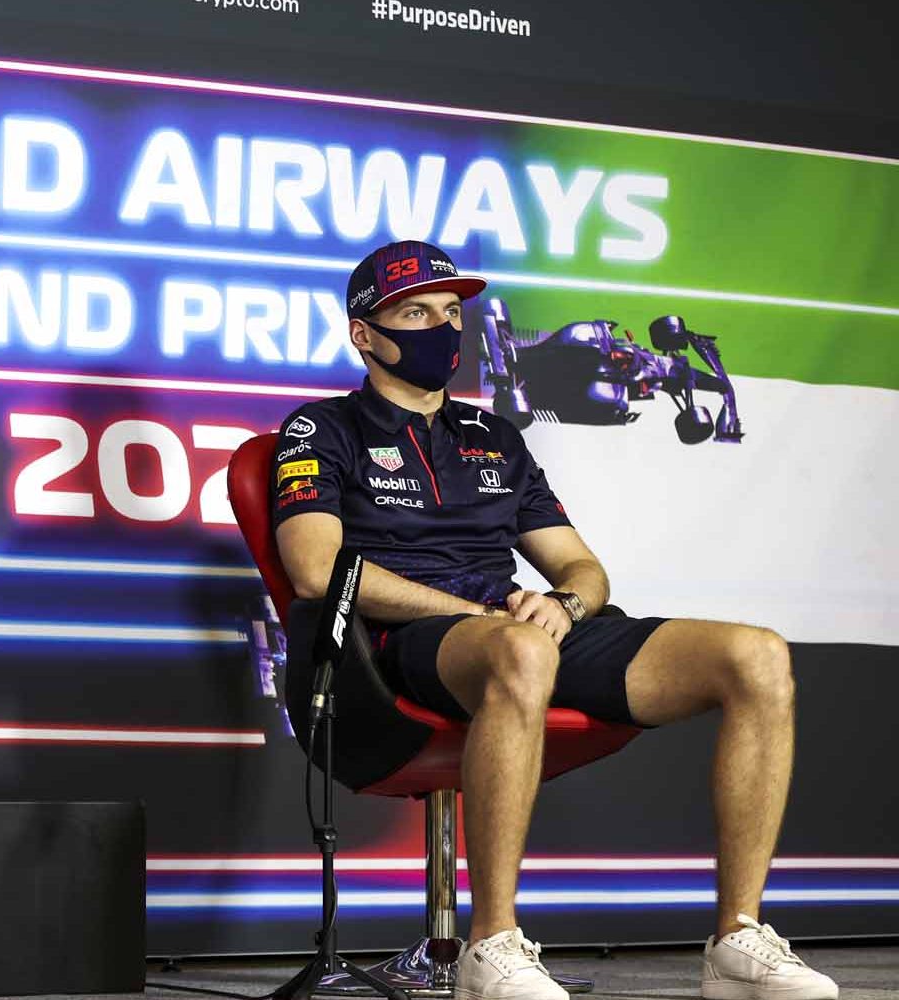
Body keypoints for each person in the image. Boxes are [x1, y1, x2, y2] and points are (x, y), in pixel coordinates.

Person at [269, 240, 836, 1000]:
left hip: (518, 634)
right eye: (415, 314)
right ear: (364, 334)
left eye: (450, 313)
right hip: (401, 650)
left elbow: (584, 571)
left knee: (757, 655)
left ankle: (737, 938)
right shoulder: (319, 430)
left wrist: (563, 605)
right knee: (519, 651)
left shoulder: (494, 438)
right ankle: (490, 945)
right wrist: (476, 613)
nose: (442, 329)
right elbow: (316, 571)